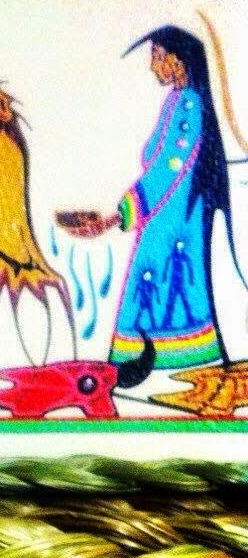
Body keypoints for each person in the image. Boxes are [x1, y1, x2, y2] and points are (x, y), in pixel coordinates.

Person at [62, 25, 242, 370]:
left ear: (178, 61)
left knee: (160, 285)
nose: (153, 65)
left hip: (174, 220)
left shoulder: (189, 105)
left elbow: (165, 170)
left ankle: (168, 362)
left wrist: (119, 216)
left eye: (158, 56)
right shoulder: (176, 100)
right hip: (163, 217)